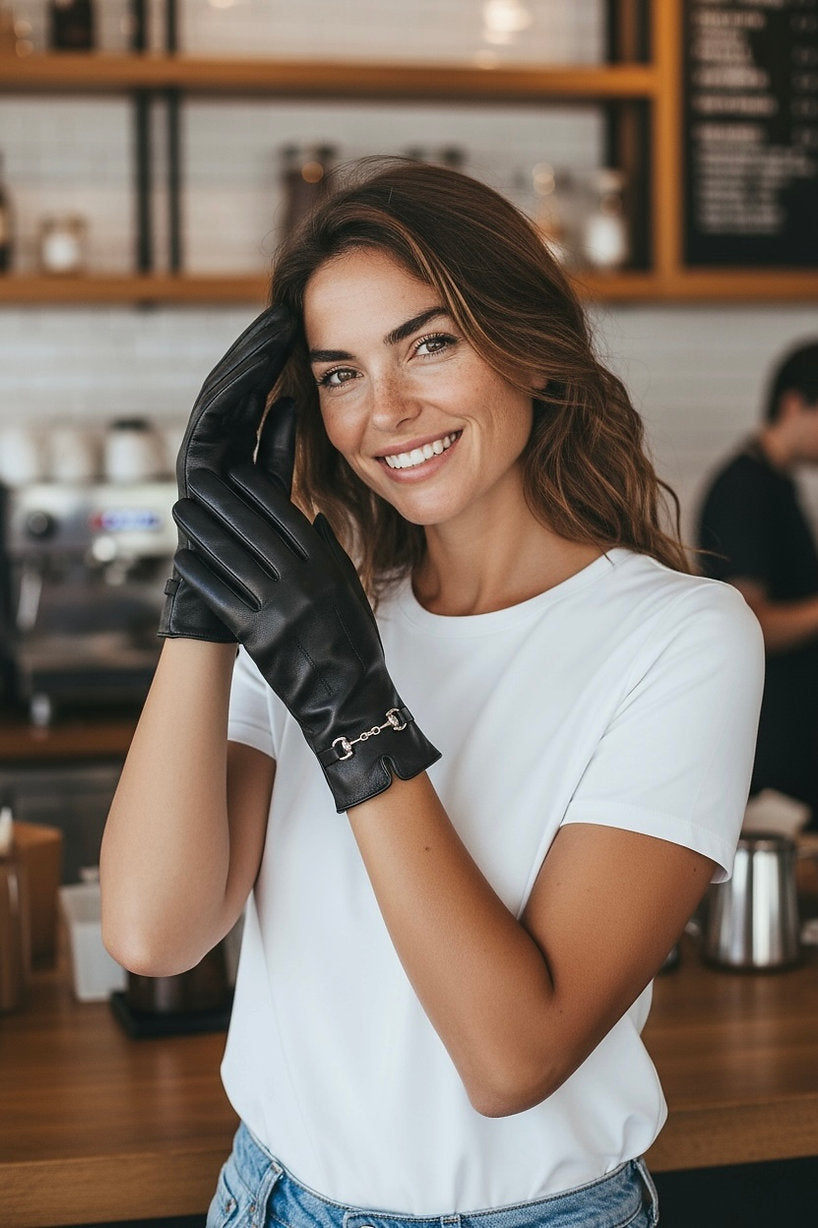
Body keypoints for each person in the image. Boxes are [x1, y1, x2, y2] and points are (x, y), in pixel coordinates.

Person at [100, 160, 763, 1228]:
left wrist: (351, 703)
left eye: (428, 343)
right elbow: (152, 933)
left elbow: (512, 1056)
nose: (388, 409)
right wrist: (203, 592)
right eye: (338, 372)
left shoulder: (678, 636)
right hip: (265, 1198)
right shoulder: (315, 612)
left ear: (528, 349)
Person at [697, 341, 818, 828]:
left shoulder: (779, 483)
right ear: (794, 404)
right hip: (770, 758)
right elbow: (752, 624)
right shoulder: (744, 489)